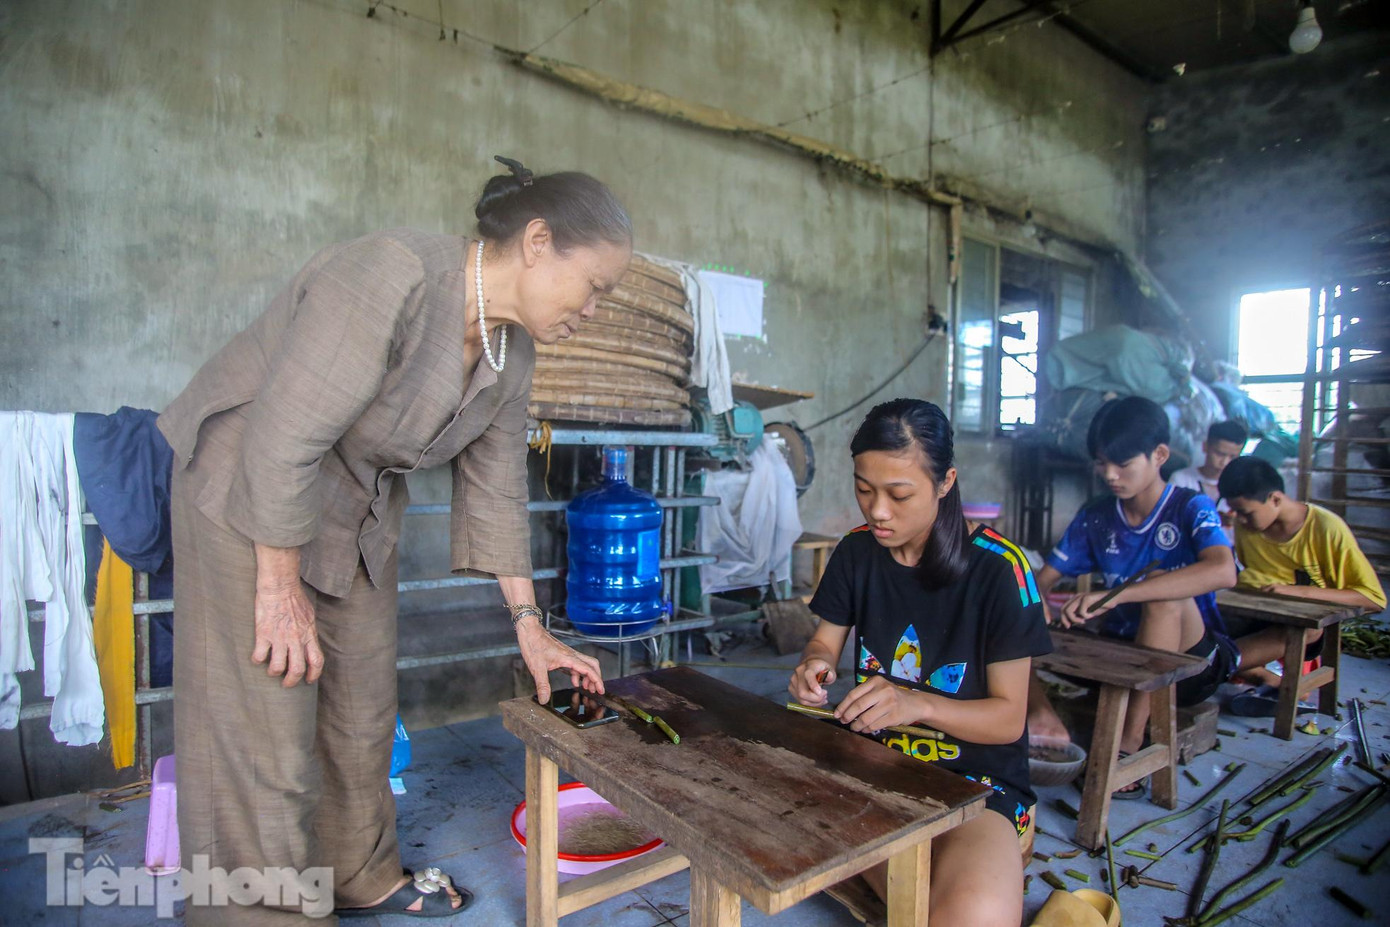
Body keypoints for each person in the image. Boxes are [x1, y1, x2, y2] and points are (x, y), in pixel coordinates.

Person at [157, 158, 630, 923]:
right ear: (539, 241)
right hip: (248, 488)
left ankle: (358, 873)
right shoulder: (394, 275)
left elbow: (497, 489)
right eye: (596, 286)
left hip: (354, 505)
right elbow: (283, 438)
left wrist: (530, 625)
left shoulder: (512, 352)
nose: (595, 310)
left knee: (363, 706)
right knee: (266, 728)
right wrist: (277, 589)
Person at [789, 398, 1050, 927]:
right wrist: (814, 668)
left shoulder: (1000, 570)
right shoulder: (857, 552)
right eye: (864, 489)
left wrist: (917, 704)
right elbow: (823, 645)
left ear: (946, 481)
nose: (878, 511)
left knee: (972, 916)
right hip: (870, 764)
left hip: (975, 782)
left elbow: (1007, 720)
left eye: (899, 494)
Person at [1027, 397, 1238, 794]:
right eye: (1101, 463)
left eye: (1123, 464)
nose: (1110, 475)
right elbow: (1042, 581)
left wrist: (1116, 596)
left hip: (1193, 664)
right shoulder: (1096, 515)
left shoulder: (1190, 507)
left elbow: (1223, 570)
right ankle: (1040, 715)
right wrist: (1040, 608)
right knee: (1011, 607)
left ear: (1160, 455)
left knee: (1162, 595)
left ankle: (1129, 740)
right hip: (1120, 656)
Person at [1218, 456, 1386, 715]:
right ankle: (1266, 679)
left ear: (1275, 499)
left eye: (1245, 513)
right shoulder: (1248, 526)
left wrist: (1298, 591)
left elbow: (1374, 599)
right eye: (1235, 512)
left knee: (1297, 632)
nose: (1239, 520)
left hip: (1301, 627)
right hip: (1252, 614)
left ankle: (1214, 664)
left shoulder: (1326, 528)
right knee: (1201, 619)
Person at [1168, 420, 1248, 539]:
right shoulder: (1181, 479)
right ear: (1205, 447)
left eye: (1233, 457)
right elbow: (1169, 518)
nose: (1225, 462)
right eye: (1219, 454)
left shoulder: (1242, 488)